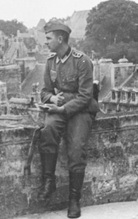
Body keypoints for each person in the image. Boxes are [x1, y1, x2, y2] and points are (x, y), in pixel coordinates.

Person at [39, 21, 99, 218]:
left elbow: (85, 97)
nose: (45, 42)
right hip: (61, 107)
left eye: (48, 38)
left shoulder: (82, 61)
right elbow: (45, 91)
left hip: (80, 110)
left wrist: (63, 107)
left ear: (60, 38)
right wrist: (53, 98)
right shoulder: (50, 62)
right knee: (47, 130)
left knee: (76, 149)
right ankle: (49, 181)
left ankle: (74, 200)